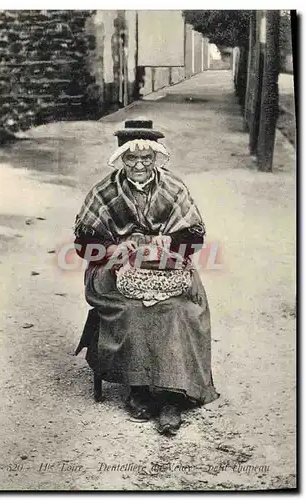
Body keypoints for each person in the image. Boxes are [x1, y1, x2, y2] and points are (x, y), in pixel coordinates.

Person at [74, 119, 219, 435]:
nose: (139, 165)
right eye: (131, 158)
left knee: (182, 306)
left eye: (146, 158)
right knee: (134, 307)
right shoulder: (103, 192)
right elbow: (84, 245)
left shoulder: (174, 188)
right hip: (114, 269)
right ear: (121, 158)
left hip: (164, 266)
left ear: (157, 159)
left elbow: (194, 236)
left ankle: (171, 394)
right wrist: (116, 247)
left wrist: (171, 242)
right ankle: (138, 388)